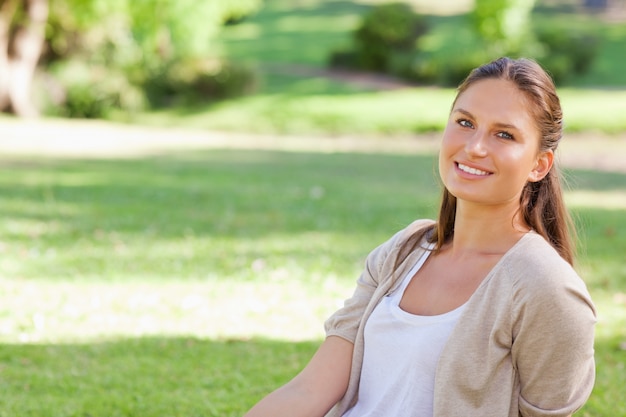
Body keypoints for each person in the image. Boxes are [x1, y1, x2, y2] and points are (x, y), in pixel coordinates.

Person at [244, 57, 596, 417]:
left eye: (504, 134)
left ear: (539, 164)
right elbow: (308, 391)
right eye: (465, 122)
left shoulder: (547, 288)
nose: (475, 146)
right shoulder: (404, 251)